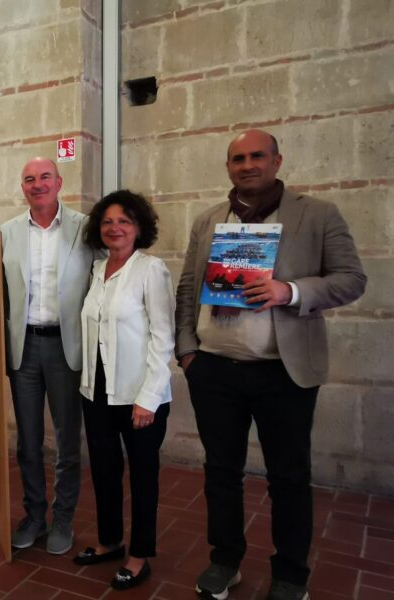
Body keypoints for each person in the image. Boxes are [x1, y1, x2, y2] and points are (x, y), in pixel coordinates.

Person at [175, 130, 366, 600]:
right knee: (221, 472)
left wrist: (290, 291)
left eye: (257, 156)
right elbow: (188, 287)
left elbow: (351, 279)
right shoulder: (209, 220)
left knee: (289, 477)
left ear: (277, 161)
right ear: (228, 167)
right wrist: (187, 351)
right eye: (238, 158)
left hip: (284, 370)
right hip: (214, 369)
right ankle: (224, 561)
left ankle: (291, 575)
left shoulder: (317, 214)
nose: (247, 165)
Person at [74, 191, 174, 590]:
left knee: (143, 476)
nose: (114, 228)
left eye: (124, 221)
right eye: (107, 222)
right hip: (96, 390)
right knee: (103, 469)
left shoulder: (151, 269)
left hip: (138, 394)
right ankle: (110, 541)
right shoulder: (98, 269)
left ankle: (139, 555)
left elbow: (163, 338)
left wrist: (149, 398)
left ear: (138, 228)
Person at [0, 157, 93, 554]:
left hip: (66, 347)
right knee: (28, 441)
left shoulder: (85, 229)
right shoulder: (6, 233)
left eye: (44, 177)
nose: (37, 184)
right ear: (22, 187)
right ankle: (35, 515)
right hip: (24, 348)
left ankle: (64, 519)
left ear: (59, 182)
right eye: (29, 179)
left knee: (67, 441)